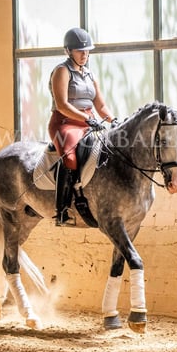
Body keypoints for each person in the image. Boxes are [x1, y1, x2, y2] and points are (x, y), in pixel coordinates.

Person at [48, 27, 116, 225]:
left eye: (87, 51)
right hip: (65, 123)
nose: (84, 55)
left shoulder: (89, 74)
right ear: (68, 51)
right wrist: (87, 119)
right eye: (80, 51)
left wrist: (114, 119)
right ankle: (61, 209)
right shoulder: (62, 71)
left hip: (90, 123)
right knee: (69, 156)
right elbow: (62, 105)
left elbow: (101, 105)